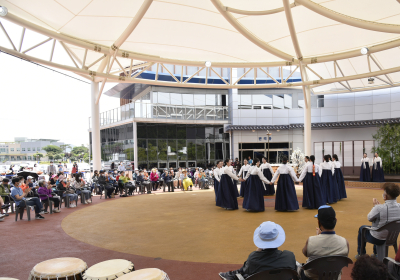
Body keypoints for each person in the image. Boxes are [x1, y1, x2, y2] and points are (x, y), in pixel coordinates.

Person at [218, 221, 296, 280]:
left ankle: (233, 274)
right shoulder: (289, 256)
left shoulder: (253, 259)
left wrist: (257, 251)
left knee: (246, 273)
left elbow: (246, 269)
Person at [298, 205, 349, 280]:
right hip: (334, 277)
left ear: (319, 222)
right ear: (336, 220)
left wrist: (318, 237)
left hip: (312, 277)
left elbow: (305, 252)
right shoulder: (344, 242)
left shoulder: (311, 240)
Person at [356, 182, 400, 259]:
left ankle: (361, 254)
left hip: (378, 239)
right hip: (393, 237)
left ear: (385, 196)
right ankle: (376, 254)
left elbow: (369, 218)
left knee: (362, 228)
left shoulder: (379, 208)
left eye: (384, 192)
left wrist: (375, 207)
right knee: (378, 226)